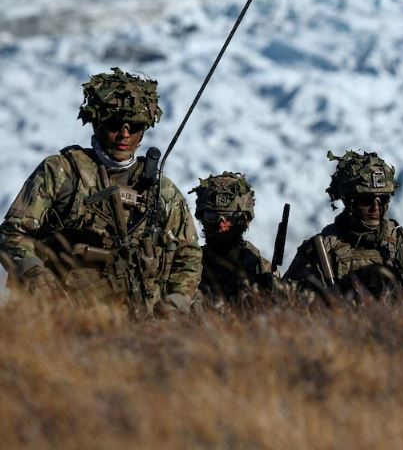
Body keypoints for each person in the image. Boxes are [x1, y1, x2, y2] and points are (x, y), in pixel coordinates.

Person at [0, 67, 201, 317]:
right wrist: (35, 274)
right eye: (115, 124)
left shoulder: (162, 190)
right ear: (97, 122)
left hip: (142, 323)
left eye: (135, 126)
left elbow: (189, 255)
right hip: (59, 317)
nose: (124, 134)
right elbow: (13, 233)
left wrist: (175, 302)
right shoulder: (63, 172)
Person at [284, 150, 403, 298]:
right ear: (349, 201)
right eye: (366, 200)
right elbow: (287, 306)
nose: (376, 207)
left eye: (383, 199)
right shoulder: (321, 251)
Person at [190, 172, 276, 308]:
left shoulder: (260, 268)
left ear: (245, 220)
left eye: (230, 216)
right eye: (212, 216)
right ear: (202, 218)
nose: (221, 225)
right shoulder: (187, 267)